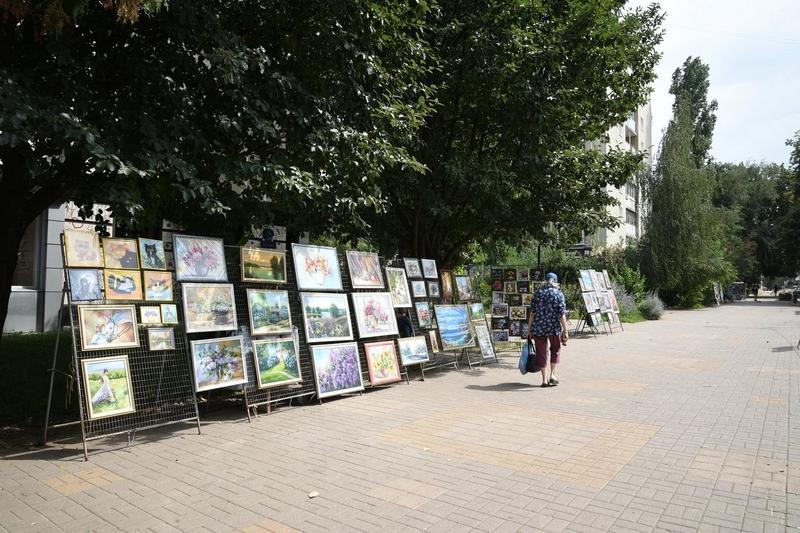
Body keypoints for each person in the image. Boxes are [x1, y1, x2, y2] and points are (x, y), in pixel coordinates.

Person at [527, 272, 569, 387]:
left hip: (538, 328)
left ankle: (544, 380)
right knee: (555, 349)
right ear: (555, 282)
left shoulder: (537, 294)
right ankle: (552, 375)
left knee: (541, 352)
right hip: (553, 328)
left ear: (545, 281)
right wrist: (565, 330)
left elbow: (532, 314)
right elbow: (561, 314)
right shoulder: (558, 294)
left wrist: (529, 330)